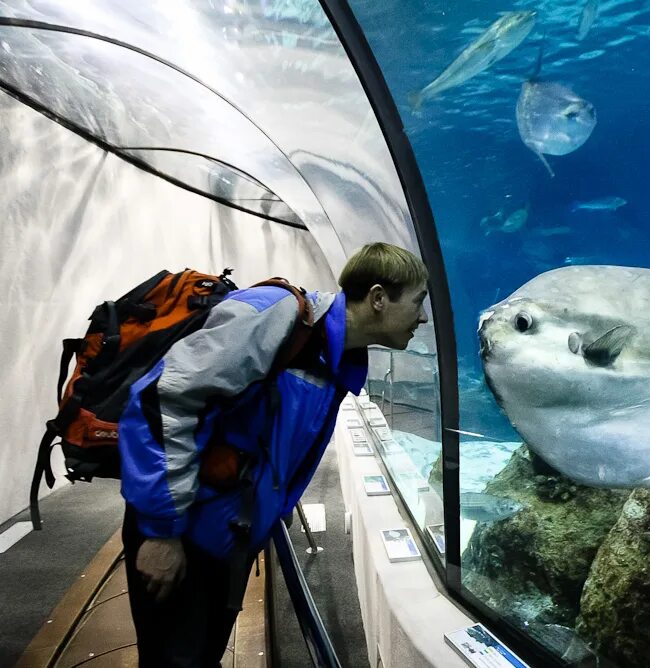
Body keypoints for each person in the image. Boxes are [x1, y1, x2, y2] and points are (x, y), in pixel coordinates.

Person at [117, 242, 429, 667]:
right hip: (185, 532)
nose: (423, 316)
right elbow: (162, 399)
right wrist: (160, 532)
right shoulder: (277, 316)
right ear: (378, 298)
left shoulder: (334, 354)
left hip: (226, 537)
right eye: (418, 301)